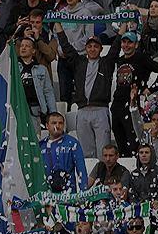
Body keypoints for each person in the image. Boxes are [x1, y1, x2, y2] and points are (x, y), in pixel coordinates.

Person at [54, 24, 113, 158]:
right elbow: (66, 46)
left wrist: (124, 24)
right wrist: (57, 24)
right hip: (82, 111)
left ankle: (103, 172)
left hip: (101, 110)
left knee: (104, 151)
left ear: (101, 49)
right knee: (86, 153)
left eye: (96, 46)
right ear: (85, 49)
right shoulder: (79, 62)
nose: (92, 49)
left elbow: (115, 47)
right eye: (89, 46)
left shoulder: (106, 63)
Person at [40, 112, 88, 192]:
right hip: (47, 194)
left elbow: (81, 170)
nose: (57, 126)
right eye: (54, 123)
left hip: (68, 194)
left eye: (60, 123)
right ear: (47, 126)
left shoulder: (72, 143)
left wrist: (83, 193)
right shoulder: (41, 146)